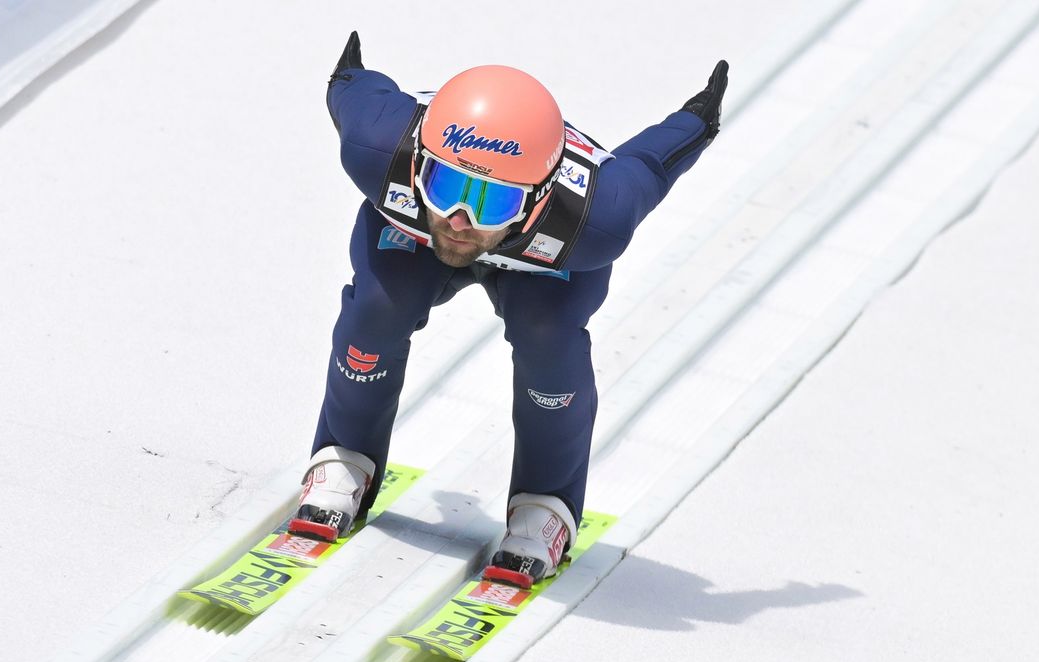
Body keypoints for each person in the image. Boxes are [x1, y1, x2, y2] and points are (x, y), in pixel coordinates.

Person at [289, 31, 728, 589]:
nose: (459, 219)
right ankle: (343, 453)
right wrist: (349, 69)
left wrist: (698, 119)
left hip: (544, 259)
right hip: (423, 234)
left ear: (541, 197)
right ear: (416, 160)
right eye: (446, 184)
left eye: (492, 200)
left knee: (550, 337)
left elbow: (649, 162)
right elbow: (352, 88)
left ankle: (546, 503)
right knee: (377, 306)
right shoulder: (378, 148)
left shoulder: (595, 218)